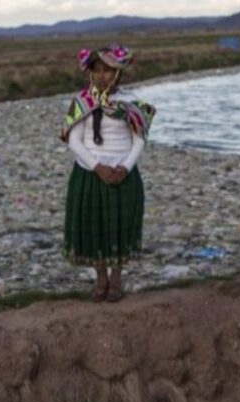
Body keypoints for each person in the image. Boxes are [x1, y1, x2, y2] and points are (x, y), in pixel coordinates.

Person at [60, 44, 156, 303]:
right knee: (95, 225)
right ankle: (100, 276)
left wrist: (125, 167)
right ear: (90, 73)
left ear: (118, 73)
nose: (101, 75)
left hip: (123, 173)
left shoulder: (132, 103)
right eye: (97, 70)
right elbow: (74, 141)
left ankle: (117, 277)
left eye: (108, 70)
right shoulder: (82, 102)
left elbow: (139, 140)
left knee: (119, 225)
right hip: (90, 174)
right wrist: (97, 167)